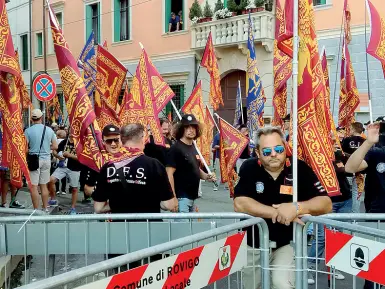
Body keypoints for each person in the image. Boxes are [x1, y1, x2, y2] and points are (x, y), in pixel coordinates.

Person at [234, 126, 332, 289]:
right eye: (266, 151)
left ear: (285, 148)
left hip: (287, 243)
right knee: (252, 286)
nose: (273, 154)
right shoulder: (249, 168)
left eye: (278, 149)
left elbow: (325, 203)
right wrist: (277, 213)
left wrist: (297, 207)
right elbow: (240, 203)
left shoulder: (298, 167)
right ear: (258, 153)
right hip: (253, 244)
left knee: (282, 285)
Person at [345, 122, 385, 289]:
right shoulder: (378, 153)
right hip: (378, 220)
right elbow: (350, 167)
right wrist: (368, 142)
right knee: (375, 275)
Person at [307, 137, 352, 284]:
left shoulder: (340, 155)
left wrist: (341, 156)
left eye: (334, 141)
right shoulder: (316, 158)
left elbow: (350, 169)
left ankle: (334, 267)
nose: (333, 144)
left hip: (345, 200)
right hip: (326, 202)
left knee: (338, 236)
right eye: (330, 141)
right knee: (321, 237)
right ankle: (310, 267)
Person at [166, 114, 216, 213]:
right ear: (181, 129)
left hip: (192, 198)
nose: (191, 130)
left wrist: (206, 176)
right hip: (181, 198)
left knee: (190, 228)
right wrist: (173, 198)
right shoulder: (176, 148)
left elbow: (194, 167)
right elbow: (169, 174)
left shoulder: (193, 146)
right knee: (183, 228)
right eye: (187, 127)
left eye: (193, 127)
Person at [25, 109, 58, 211]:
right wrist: (47, 148)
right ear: (41, 118)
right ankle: (45, 208)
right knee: (44, 185)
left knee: (34, 186)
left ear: (32, 119)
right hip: (46, 159)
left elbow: (25, 149)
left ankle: (36, 210)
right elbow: (55, 146)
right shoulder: (49, 130)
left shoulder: (27, 131)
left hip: (34, 160)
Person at [82, 124, 123, 202]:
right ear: (103, 142)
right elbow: (87, 189)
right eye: (109, 141)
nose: (113, 144)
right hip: (105, 210)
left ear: (121, 140)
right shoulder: (98, 161)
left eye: (116, 140)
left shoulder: (130, 158)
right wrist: (105, 197)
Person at [48, 135, 82, 214]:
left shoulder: (79, 143)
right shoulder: (64, 142)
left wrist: (70, 155)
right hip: (63, 166)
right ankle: (53, 199)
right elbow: (55, 151)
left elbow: (81, 158)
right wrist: (58, 156)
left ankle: (73, 208)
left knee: (74, 188)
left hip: (74, 168)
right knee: (51, 180)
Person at [342, 122, 366, 213]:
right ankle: (355, 216)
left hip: (348, 170)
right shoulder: (365, 142)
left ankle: (346, 214)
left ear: (353, 129)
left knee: (346, 193)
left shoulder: (347, 140)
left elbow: (343, 154)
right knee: (357, 194)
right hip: (361, 172)